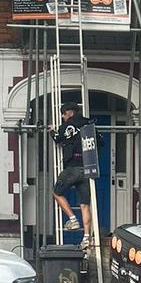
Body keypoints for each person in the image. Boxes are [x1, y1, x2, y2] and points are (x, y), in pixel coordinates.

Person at [52, 99, 92, 245]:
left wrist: (52, 131)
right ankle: (87, 238)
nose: (63, 117)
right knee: (85, 205)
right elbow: (99, 142)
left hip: (72, 167)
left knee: (57, 192)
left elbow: (58, 138)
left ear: (69, 113)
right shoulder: (89, 124)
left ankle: (73, 220)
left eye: (63, 114)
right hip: (87, 168)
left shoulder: (67, 126)